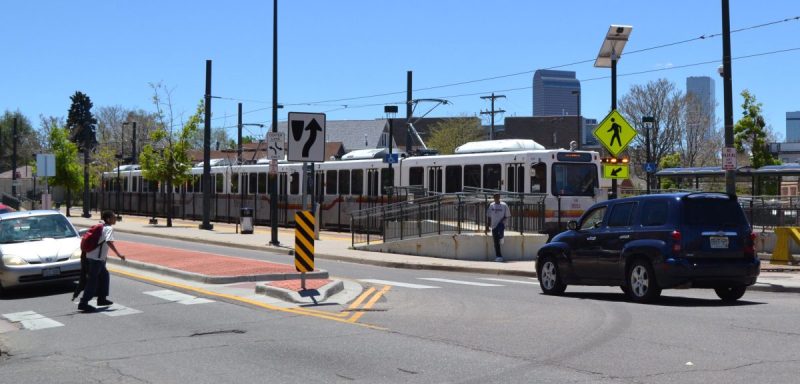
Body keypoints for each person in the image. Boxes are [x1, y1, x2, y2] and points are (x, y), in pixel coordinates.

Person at [78, 210, 126, 313]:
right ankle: (83, 302)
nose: (115, 219)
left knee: (104, 276)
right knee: (92, 281)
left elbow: (83, 233)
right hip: (97, 259)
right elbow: (108, 241)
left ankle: (101, 298)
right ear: (108, 219)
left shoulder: (100, 225)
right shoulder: (108, 228)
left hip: (92, 257)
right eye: (113, 217)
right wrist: (118, 254)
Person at [485, 193, 511, 262]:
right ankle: (499, 256)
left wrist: (502, 221)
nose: (496, 198)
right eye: (495, 197)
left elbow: (507, 215)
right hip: (494, 226)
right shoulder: (491, 205)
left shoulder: (504, 205)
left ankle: (499, 255)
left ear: (499, 197)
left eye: (497, 197)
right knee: (496, 241)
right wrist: (487, 226)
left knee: (499, 240)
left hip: (501, 225)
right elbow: (489, 216)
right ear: (493, 198)